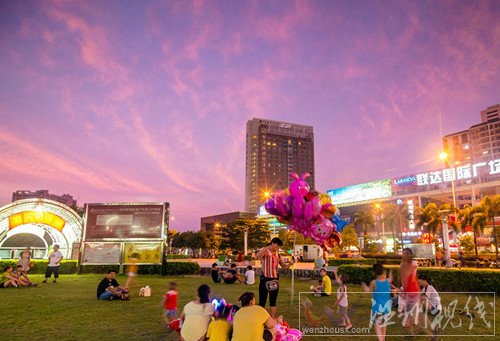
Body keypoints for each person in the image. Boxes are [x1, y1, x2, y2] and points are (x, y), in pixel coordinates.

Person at [256, 237, 293, 318]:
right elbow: (257, 256)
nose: (278, 249)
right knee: (262, 301)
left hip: (274, 280)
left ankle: (272, 319)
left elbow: (283, 267)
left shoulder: (278, 255)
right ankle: (260, 319)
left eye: (279, 247)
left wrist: (290, 264)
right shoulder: (265, 252)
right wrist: (266, 248)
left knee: (273, 301)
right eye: (277, 246)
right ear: (272, 243)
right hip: (265, 279)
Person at [362, 263, 394, 341]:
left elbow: (368, 291)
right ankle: (383, 338)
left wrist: (363, 284)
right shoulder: (387, 281)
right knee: (384, 324)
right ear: (383, 271)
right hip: (386, 308)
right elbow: (391, 279)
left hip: (377, 308)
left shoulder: (374, 282)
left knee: (377, 325)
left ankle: (381, 339)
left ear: (374, 272)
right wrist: (391, 272)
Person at [400, 248, 419, 329]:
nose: (404, 255)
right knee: (410, 307)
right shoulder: (403, 264)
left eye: (406, 254)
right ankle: (411, 321)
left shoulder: (413, 264)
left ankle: (409, 322)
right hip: (409, 288)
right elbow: (403, 278)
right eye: (403, 253)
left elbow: (408, 275)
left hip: (413, 288)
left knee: (410, 307)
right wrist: (403, 288)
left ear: (410, 254)